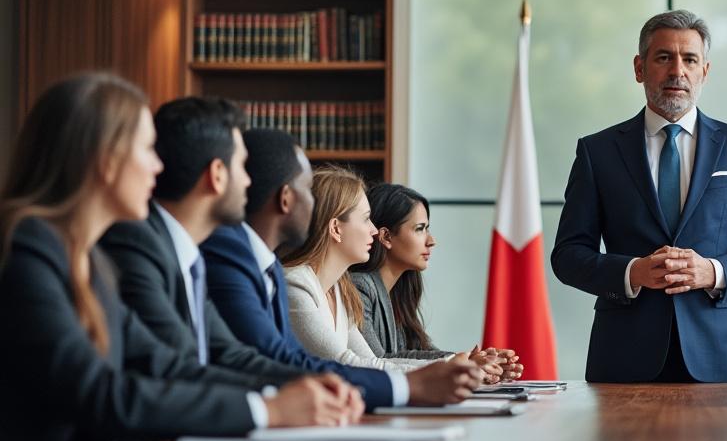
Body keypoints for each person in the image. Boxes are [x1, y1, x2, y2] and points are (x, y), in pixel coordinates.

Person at [0, 74, 355, 441]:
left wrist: (296, 388)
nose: (158, 165)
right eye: (147, 149)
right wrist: (267, 410)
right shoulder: (28, 248)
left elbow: (168, 365)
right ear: (105, 159)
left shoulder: (91, 259)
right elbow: (98, 393)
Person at [551, 10, 727, 383]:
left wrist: (713, 272)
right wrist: (634, 272)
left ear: (705, 72)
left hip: (717, 356)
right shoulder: (597, 152)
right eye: (664, 57)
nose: (677, 71)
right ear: (639, 68)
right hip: (622, 357)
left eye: (690, 59)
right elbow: (568, 256)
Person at [202, 130, 484, 409]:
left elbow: (363, 360)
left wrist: (450, 366)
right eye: (366, 220)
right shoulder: (290, 280)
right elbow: (334, 362)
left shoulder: (334, 285)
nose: (374, 231)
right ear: (335, 228)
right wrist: (427, 378)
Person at [99, 98, 307, 386]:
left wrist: (318, 386)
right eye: (243, 166)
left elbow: (233, 356)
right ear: (216, 175)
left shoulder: (190, 257)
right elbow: (177, 368)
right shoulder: (137, 245)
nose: (250, 181)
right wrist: (272, 407)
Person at [351, 182, 523, 381]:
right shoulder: (359, 286)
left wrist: (482, 364)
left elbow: (419, 352)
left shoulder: (399, 291)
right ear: (386, 236)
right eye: (420, 229)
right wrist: (464, 363)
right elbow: (378, 361)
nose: (431, 240)